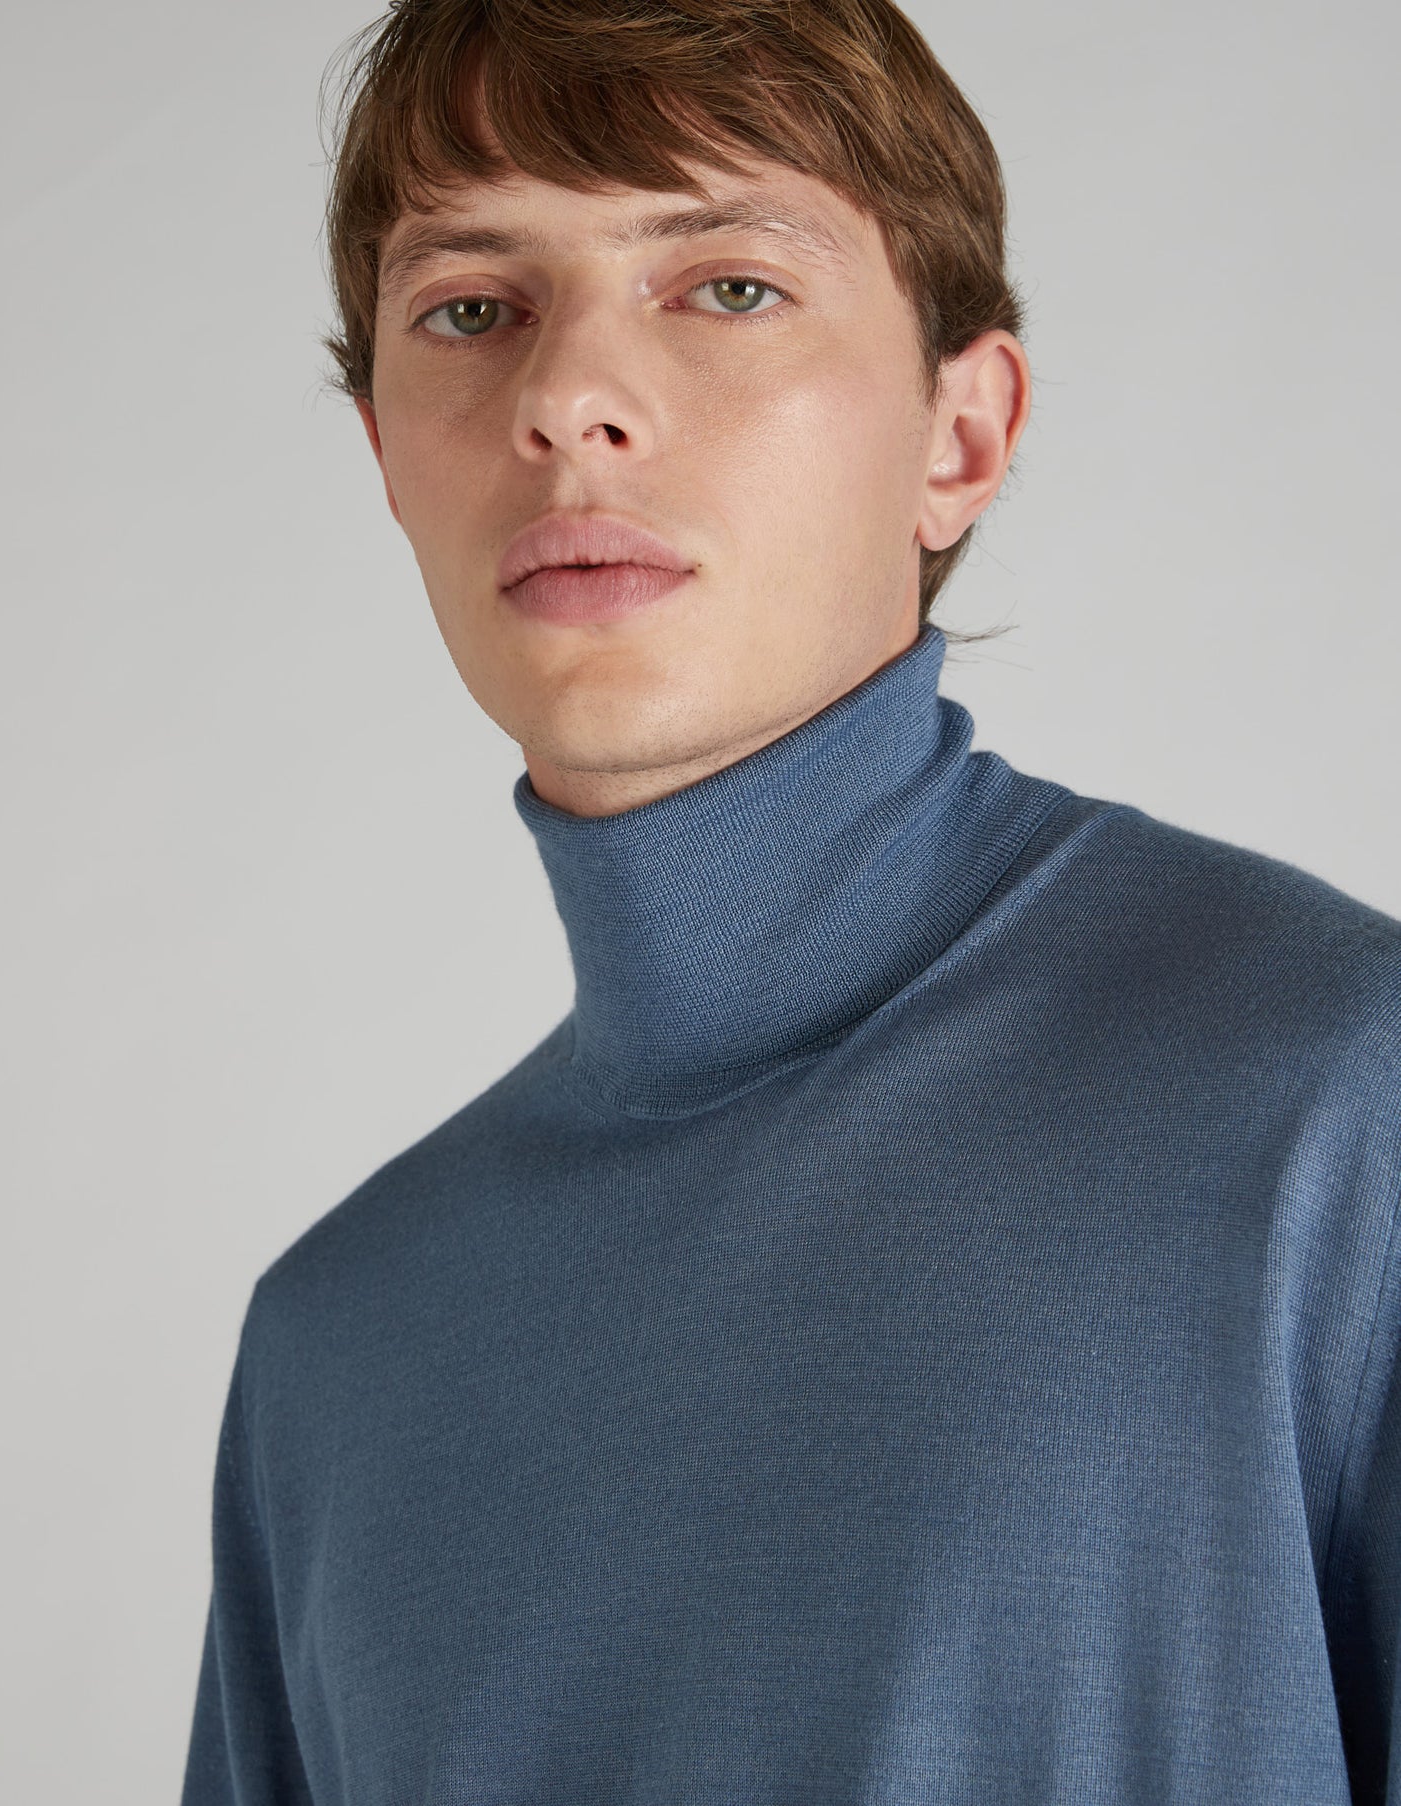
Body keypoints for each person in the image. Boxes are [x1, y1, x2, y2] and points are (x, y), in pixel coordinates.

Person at [180, 1, 1401, 1800]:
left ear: (959, 436)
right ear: (384, 455)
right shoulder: (335, 1352)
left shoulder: (1341, 1106)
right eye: (471, 309)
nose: (564, 400)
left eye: (727, 285)